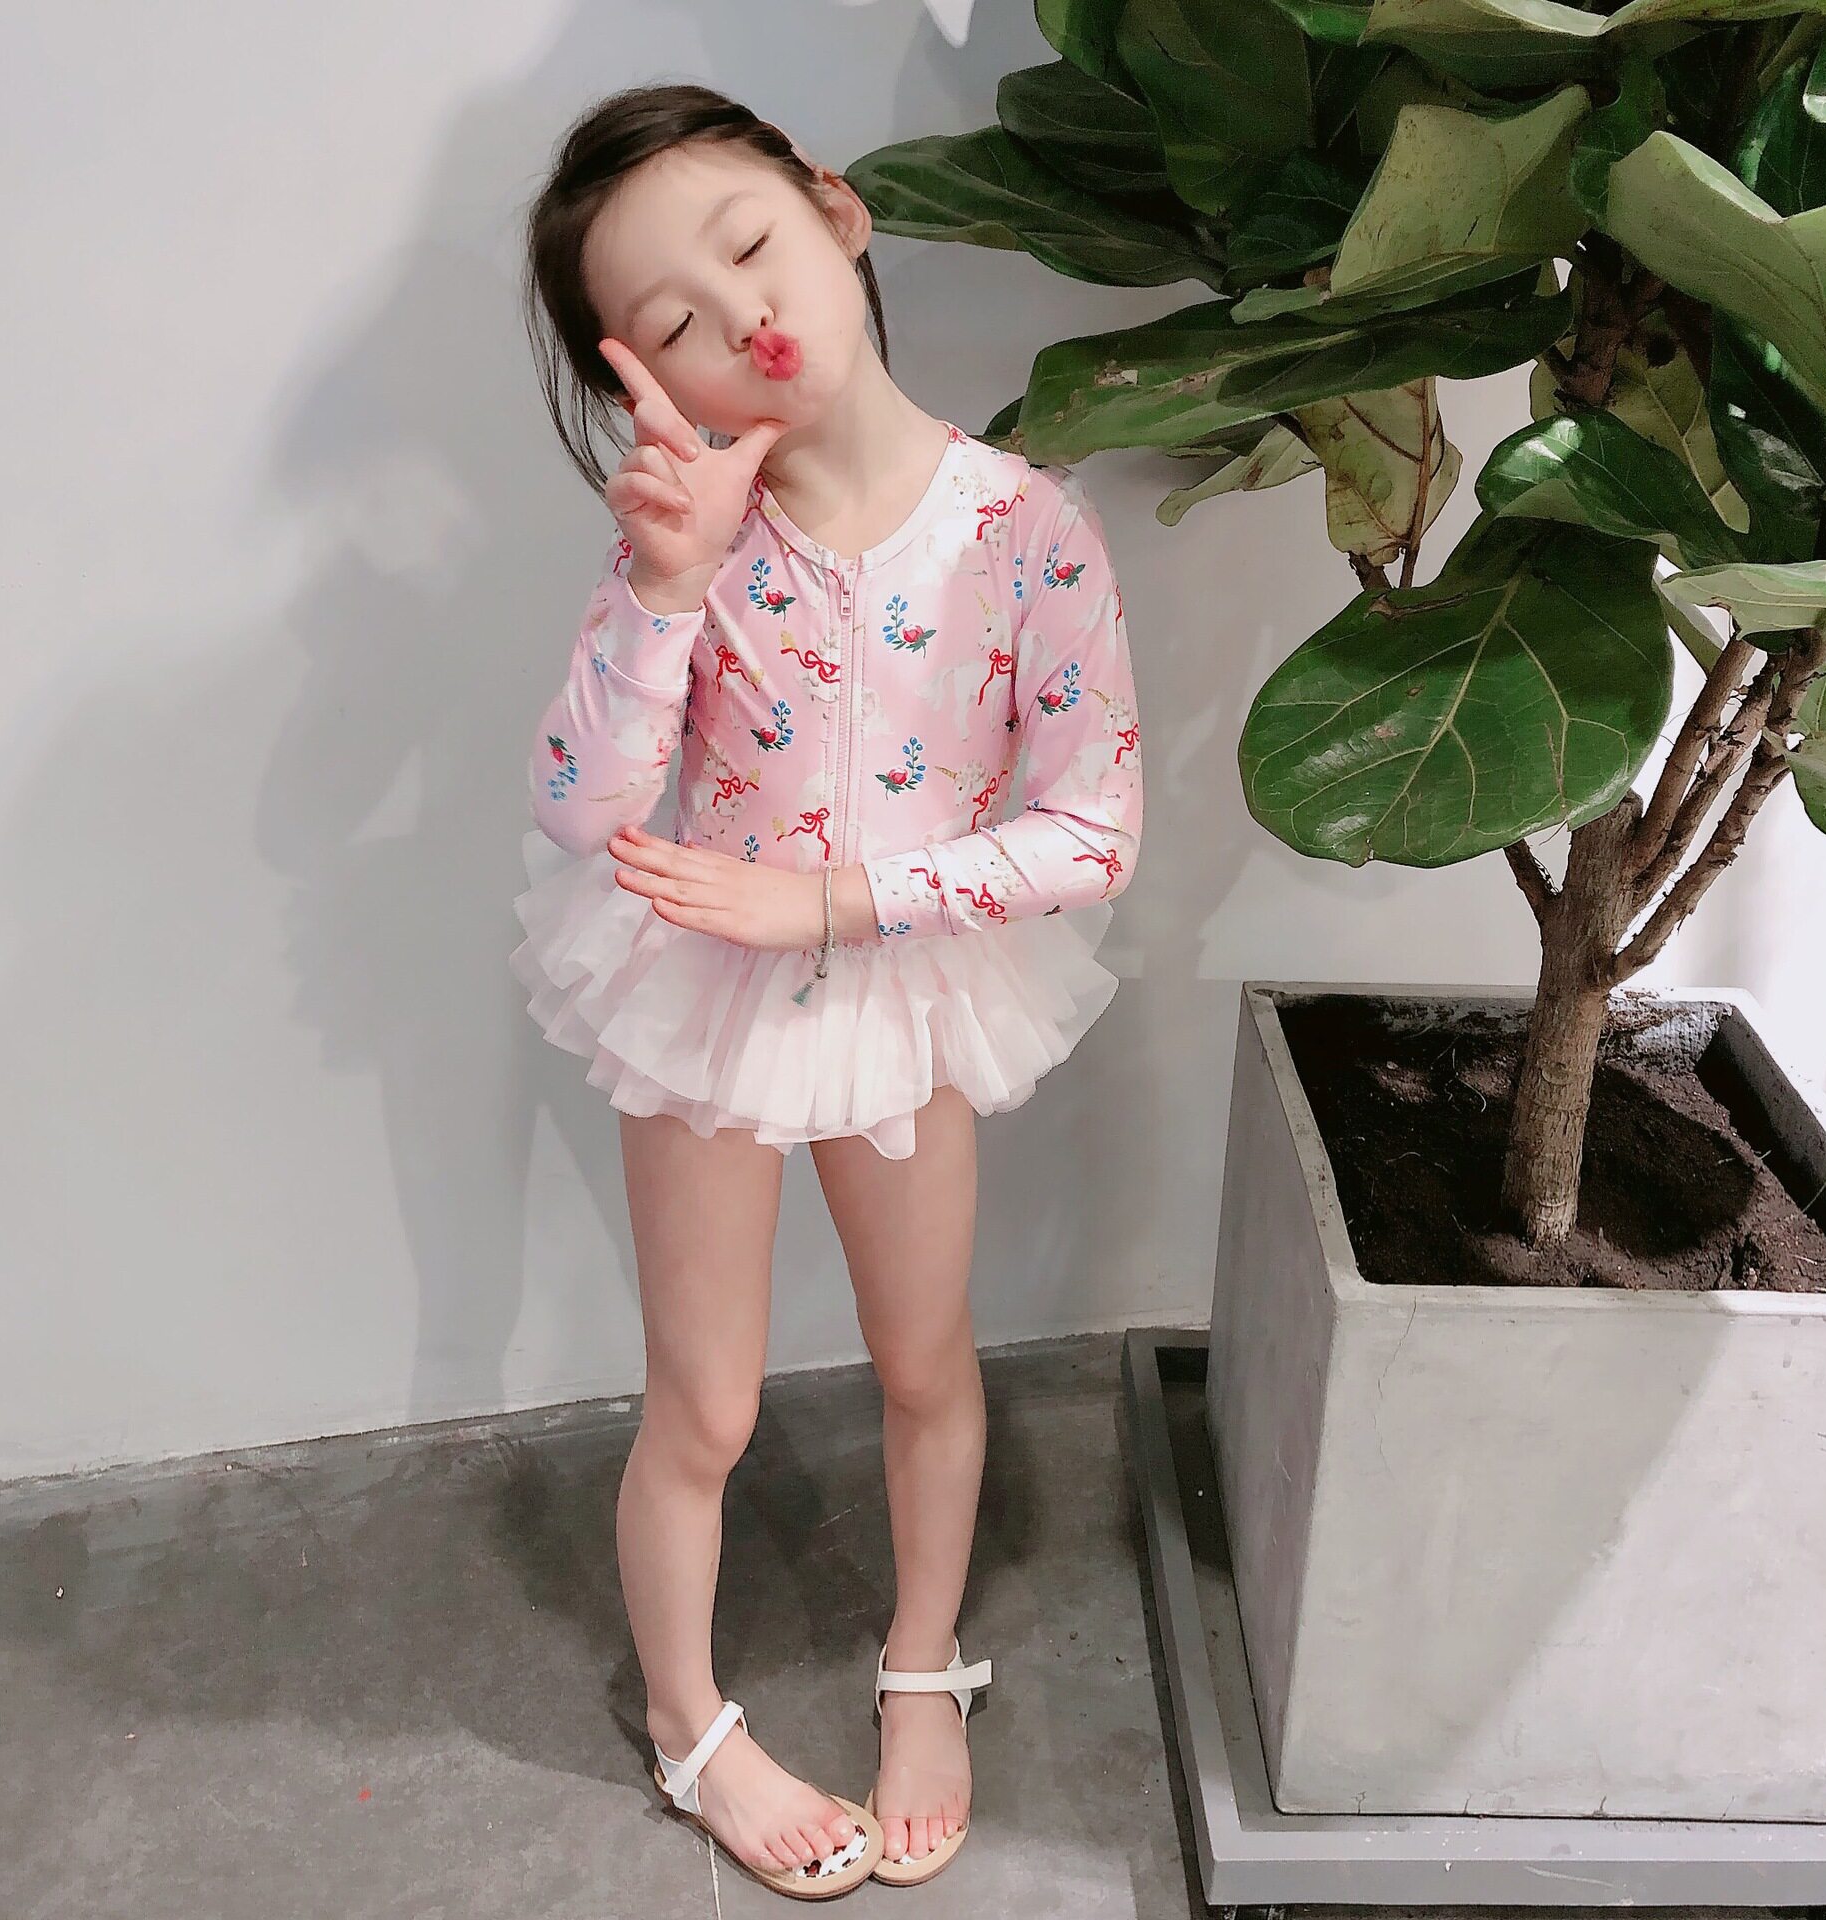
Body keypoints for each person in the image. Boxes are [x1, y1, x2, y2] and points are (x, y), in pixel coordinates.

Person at [511, 81, 1143, 1897]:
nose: (746, 320)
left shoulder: (1028, 530)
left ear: (836, 211)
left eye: (751, 247)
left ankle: (923, 1664)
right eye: (676, 326)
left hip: (902, 994)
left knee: (925, 1362)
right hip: (701, 999)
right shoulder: (692, 545)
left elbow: (1094, 830)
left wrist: (837, 903)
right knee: (703, 1405)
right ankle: (687, 1721)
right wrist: (664, 586)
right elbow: (579, 808)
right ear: (639, 381)